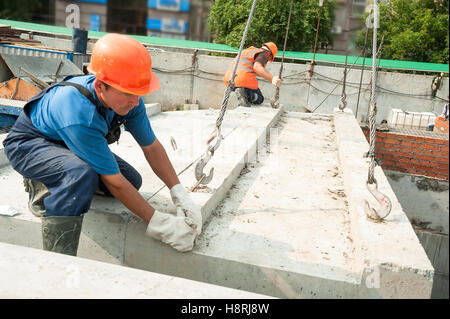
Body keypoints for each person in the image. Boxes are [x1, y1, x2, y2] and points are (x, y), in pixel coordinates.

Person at [2, 33, 202, 255]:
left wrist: (179, 193)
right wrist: (159, 224)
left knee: (132, 181)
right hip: (30, 145)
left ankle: (62, 179)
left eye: (138, 92)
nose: (135, 102)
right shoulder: (78, 110)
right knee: (79, 174)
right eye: (127, 93)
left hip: (67, 143)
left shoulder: (131, 101)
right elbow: (114, 182)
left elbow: (151, 147)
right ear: (100, 86)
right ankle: (58, 255)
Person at [223, 42, 282, 107]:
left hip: (229, 79)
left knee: (243, 98)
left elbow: (248, 67)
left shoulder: (249, 51)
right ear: (270, 54)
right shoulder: (263, 54)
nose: (268, 60)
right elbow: (257, 67)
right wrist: (272, 79)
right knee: (260, 98)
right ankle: (248, 94)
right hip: (243, 80)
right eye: (270, 58)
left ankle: (244, 98)